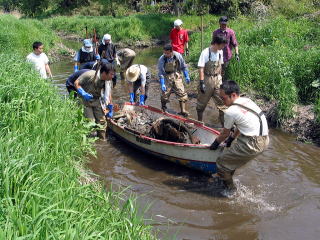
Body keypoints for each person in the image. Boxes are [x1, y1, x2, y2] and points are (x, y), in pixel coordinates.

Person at [210, 80, 269, 191]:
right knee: (230, 158)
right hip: (264, 139)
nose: (222, 102)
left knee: (222, 163)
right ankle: (226, 176)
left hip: (252, 143)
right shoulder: (246, 101)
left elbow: (224, 133)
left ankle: (230, 192)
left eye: (223, 98)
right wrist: (232, 138)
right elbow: (241, 124)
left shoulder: (230, 111)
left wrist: (214, 143)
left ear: (233, 95)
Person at [74, 63, 115, 140]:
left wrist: (110, 106)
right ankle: (90, 142)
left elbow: (108, 94)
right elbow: (76, 83)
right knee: (90, 122)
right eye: (111, 74)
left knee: (102, 122)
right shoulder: (90, 75)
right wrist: (83, 93)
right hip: (85, 100)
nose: (112, 76)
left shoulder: (108, 81)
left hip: (97, 100)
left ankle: (102, 140)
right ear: (104, 73)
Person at [196, 35, 227, 126]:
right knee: (201, 103)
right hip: (207, 79)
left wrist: (220, 78)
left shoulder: (220, 52)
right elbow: (201, 68)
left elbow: (220, 66)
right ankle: (199, 123)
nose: (223, 47)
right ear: (216, 44)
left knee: (222, 103)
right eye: (222, 45)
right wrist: (202, 82)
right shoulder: (205, 52)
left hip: (217, 79)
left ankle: (224, 125)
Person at [158, 44, 190, 117]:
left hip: (176, 75)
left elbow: (183, 66)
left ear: (171, 51)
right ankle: (163, 107)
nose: (166, 54)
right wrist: (162, 83)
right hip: (166, 76)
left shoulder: (177, 56)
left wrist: (186, 76)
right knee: (164, 94)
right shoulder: (161, 59)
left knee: (182, 93)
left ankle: (183, 110)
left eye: (167, 53)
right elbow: (161, 73)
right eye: (164, 53)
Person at [213, 16, 239, 81]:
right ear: (219, 23)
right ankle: (218, 85)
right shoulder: (216, 32)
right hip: (217, 56)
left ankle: (223, 85)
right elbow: (213, 44)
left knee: (225, 72)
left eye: (225, 24)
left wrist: (237, 54)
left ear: (227, 24)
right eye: (222, 24)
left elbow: (235, 44)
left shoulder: (230, 32)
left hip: (227, 56)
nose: (223, 25)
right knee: (217, 72)